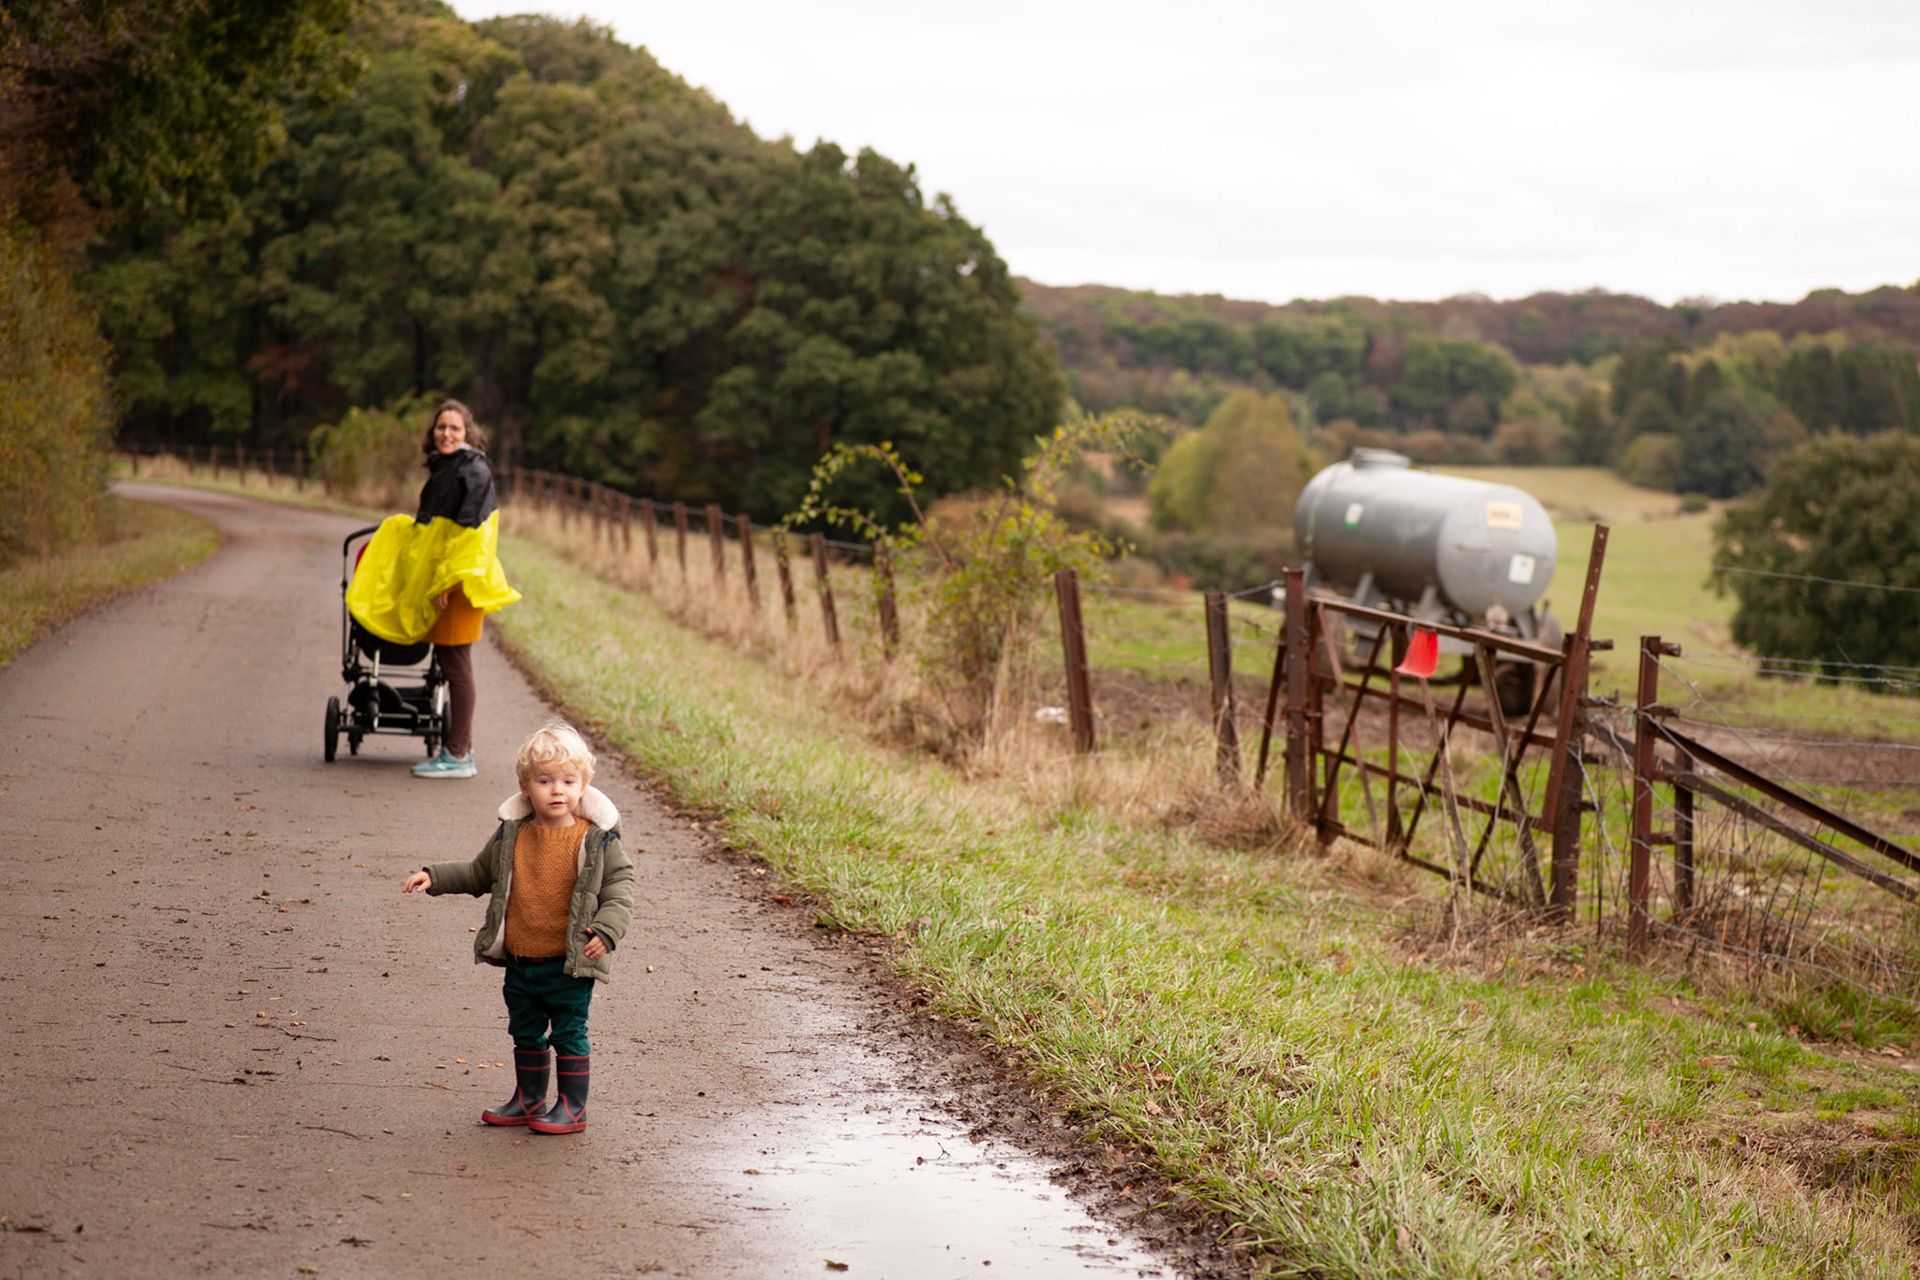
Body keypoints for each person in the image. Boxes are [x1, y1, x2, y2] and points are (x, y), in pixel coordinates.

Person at [401, 722, 635, 1135]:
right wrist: (433, 876)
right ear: (526, 787)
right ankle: (529, 1099)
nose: (557, 790)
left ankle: (572, 1106)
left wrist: (607, 929)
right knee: (525, 1031)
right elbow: (477, 873)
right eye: (545, 781)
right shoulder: (513, 835)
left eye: (568, 780)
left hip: (569, 962)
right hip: (522, 961)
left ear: (583, 786)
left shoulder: (596, 841)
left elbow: (619, 891)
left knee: (568, 1031)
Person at [343, 398, 520, 780]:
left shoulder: (471, 469)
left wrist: (447, 581)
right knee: (450, 663)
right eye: (441, 427)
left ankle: (458, 755)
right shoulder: (448, 468)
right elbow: (436, 533)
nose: (447, 434)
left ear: (468, 433)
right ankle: (457, 750)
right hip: (448, 582)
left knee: (456, 665)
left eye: (455, 428)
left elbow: (470, 535)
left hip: (457, 584)